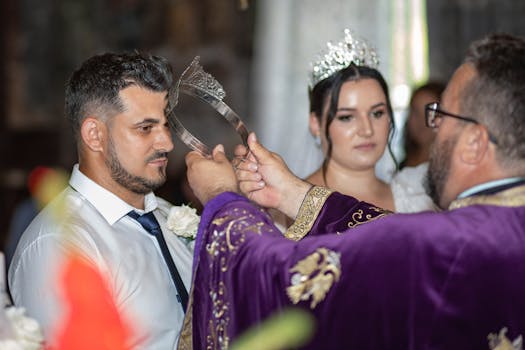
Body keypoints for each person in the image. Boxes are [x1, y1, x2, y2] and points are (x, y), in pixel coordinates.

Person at [182, 33, 525, 349]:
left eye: (442, 116)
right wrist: (293, 193)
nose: (432, 130)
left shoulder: (448, 244)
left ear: (476, 143)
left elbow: (279, 279)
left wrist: (222, 197)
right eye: (347, 117)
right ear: (316, 123)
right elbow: (387, 234)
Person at [8, 52, 193, 349]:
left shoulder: (170, 217)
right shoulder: (60, 245)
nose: (167, 143)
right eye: (145, 128)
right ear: (95, 135)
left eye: (165, 124)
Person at [306, 30, 434, 214]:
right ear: (316, 124)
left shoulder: (417, 198)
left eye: (377, 113)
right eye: (347, 117)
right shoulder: (290, 204)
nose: (367, 130)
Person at [401, 81, 446, 169]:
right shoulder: (403, 164)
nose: (421, 121)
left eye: (430, 113)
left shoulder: (451, 168)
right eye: (416, 112)